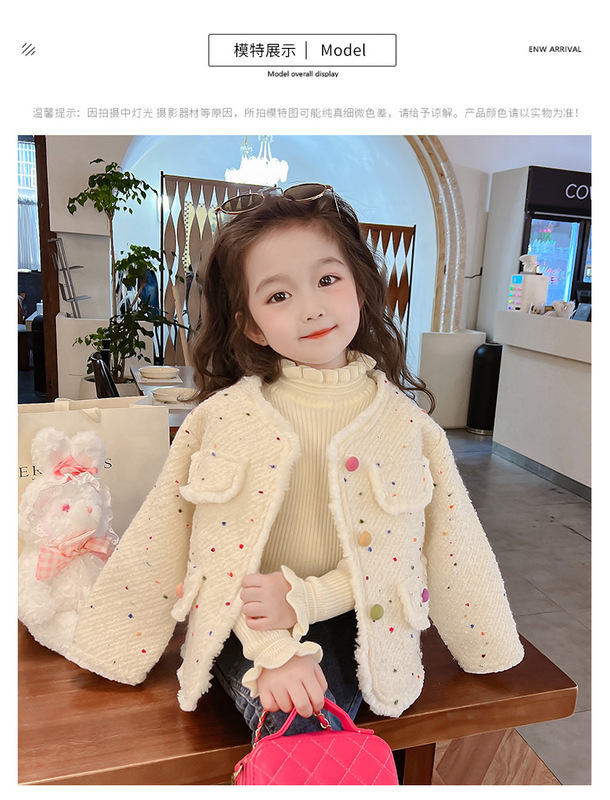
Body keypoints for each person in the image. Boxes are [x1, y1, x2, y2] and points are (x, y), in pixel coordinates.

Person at [67, 184, 524, 741]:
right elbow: (168, 539)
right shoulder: (222, 419)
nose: (311, 308)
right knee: (301, 729)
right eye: (278, 295)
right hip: (243, 626)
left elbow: (449, 546)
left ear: (360, 288)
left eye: (328, 280)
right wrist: (271, 650)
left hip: (364, 625)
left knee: (333, 732)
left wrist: (486, 645)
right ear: (253, 325)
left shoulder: (407, 427)